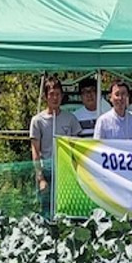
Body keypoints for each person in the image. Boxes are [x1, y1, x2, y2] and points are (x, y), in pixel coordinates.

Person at [30, 76, 81, 216]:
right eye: (51, 94)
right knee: (46, 210)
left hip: (66, 172)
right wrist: (40, 177)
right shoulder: (37, 121)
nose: (55, 98)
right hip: (47, 170)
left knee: (66, 210)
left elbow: (76, 147)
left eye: (58, 94)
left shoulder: (70, 119)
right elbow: (35, 150)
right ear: (46, 96)